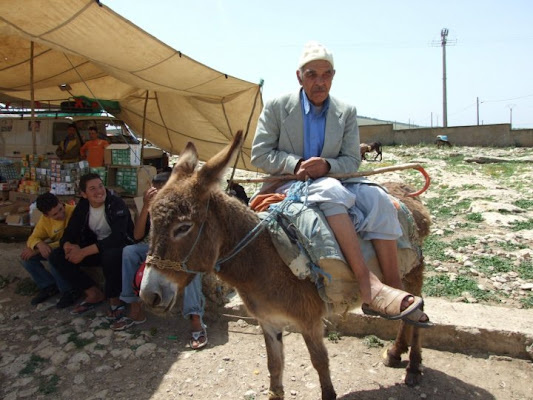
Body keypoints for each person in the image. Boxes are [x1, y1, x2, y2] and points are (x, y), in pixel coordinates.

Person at [251, 41, 430, 326]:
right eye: (312, 75)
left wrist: (328, 166)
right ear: (299, 76)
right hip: (289, 184)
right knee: (331, 191)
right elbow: (259, 154)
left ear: (333, 76)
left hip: (336, 178)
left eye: (326, 75)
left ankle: (394, 286)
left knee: (379, 199)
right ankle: (366, 282)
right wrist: (296, 165)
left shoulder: (345, 111)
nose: (320, 82)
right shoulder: (276, 107)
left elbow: (351, 160)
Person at [110, 172, 208, 349]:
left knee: (192, 267)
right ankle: (134, 307)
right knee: (129, 252)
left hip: (179, 253)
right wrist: (146, 207)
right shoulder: (151, 206)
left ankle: (195, 318)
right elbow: (137, 235)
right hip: (152, 250)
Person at [49, 172, 135, 315]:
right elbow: (69, 232)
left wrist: (83, 252)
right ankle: (93, 292)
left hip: (119, 248)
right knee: (57, 255)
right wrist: (68, 245)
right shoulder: (83, 207)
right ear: (84, 194)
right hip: (96, 248)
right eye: (92, 188)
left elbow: (118, 238)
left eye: (100, 186)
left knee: (110, 255)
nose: (99, 191)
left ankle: (115, 299)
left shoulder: (115, 203)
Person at [20, 192, 79, 308]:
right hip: (57, 248)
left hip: (72, 247)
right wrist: (39, 244)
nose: (61, 214)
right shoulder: (44, 221)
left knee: (54, 257)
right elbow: (32, 238)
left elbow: (72, 240)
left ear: (61, 203)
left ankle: (69, 291)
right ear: (46, 215)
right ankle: (48, 286)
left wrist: (39, 250)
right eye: (55, 214)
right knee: (26, 258)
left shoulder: (74, 212)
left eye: (60, 209)